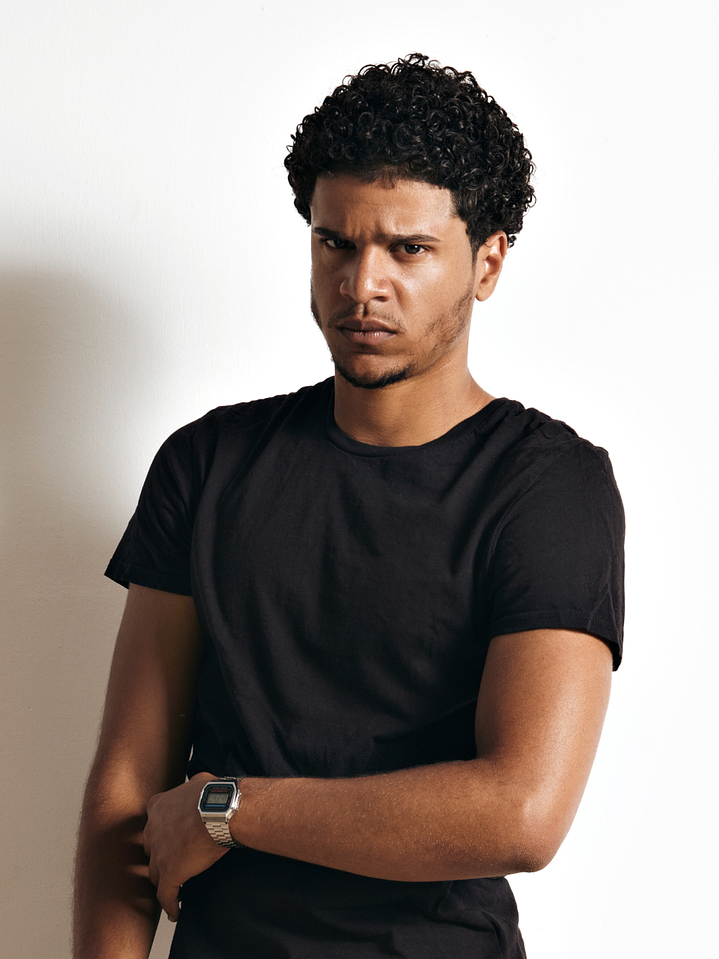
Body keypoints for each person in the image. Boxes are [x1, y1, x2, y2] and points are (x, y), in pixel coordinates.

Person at [73, 54, 624, 959]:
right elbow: (126, 790)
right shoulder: (207, 463)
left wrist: (229, 809)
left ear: (486, 261)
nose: (361, 284)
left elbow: (521, 810)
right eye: (335, 243)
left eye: (408, 249)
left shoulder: (547, 486)